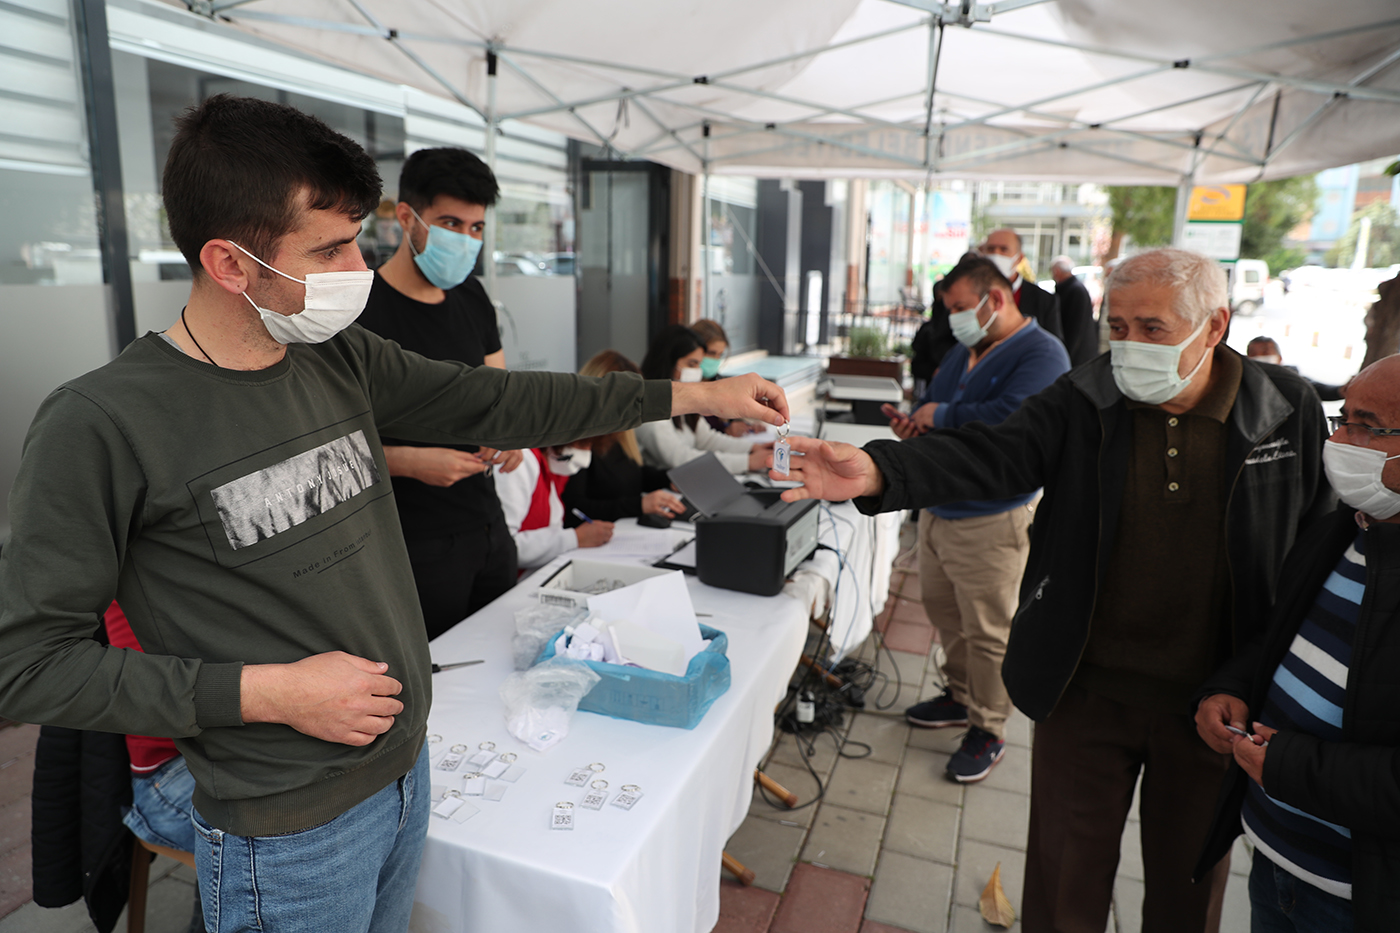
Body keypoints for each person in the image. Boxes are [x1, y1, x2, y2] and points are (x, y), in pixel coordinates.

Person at [0, 94, 788, 933]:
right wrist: (268, 691)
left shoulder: (333, 354)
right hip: (287, 824)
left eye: (357, 241)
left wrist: (689, 391)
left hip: (405, 773)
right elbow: (28, 663)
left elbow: (495, 397)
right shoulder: (103, 422)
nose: (357, 269)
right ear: (229, 263)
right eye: (331, 247)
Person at [773, 247, 1332, 933]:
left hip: (1213, 703)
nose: (1129, 346)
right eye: (1117, 326)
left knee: (1188, 892)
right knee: (1064, 888)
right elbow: (991, 453)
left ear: (1214, 326)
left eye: (1153, 328)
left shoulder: (1285, 409)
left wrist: (1251, 676)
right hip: (1084, 691)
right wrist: (878, 471)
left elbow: (1315, 553)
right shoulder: (1086, 396)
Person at [1193, 354, 1400, 932]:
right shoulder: (1344, 528)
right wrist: (1229, 687)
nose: (1344, 441)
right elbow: (1280, 637)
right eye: (1344, 419)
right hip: (1278, 860)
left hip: (1357, 899)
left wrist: (1289, 765)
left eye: (1370, 426)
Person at [882, 256, 1071, 782]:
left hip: (992, 515)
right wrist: (914, 426)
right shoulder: (964, 351)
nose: (955, 319)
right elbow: (936, 403)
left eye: (962, 308)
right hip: (940, 507)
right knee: (945, 614)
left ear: (998, 299)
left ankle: (989, 727)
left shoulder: (1042, 353)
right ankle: (960, 696)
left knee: (989, 629)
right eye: (949, 310)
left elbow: (1012, 420)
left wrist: (937, 417)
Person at [357, 146, 524, 640]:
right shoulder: (362, 313)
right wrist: (410, 462)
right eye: (451, 223)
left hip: (489, 525)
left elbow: (502, 396)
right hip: (414, 542)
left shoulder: (472, 297)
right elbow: (323, 445)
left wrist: (509, 435)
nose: (466, 240)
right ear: (407, 218)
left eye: (476, 229)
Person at [562, 350, 685, 524]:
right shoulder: (577, 441)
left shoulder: (617, 432)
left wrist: (668, 479)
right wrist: (639, 505)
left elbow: (630, 477)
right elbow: (574, 507)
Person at [635, 324, 773, 474]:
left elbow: (707, 439)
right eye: (691, 364)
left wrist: (752, 448)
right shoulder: (648, 407)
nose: (698, 371)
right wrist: (747, 462)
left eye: (699, 364)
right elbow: (681, 458)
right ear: (668, 362)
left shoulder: (683, 398)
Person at [495, 440, 614, 570]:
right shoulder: (520, 462)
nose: (586, 458)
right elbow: (502, 546)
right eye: (582, 443)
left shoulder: (553, 468)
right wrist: (575, 538)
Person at [980, 228, 1063, 343]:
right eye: (991, 249)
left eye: (1004, 249)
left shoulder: (1044, 300)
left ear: (1019, 258)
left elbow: (1052, 345)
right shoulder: (968, 294)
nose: (996, 254)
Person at [691, 318, 761, 437]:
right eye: (711, 353)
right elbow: (693, 437)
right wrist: (726, 432)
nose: (715, 360)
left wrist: (745, 425)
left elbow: (728, 418)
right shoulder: (684, 385)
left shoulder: (719, 383)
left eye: (720, 355)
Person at [1247, 336, 1347, 402]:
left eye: (1265, 352)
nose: (1260, 356)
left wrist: (1338, 391)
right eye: (1254, 354)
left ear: (1279, 358)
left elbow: (1314, 388)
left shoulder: (1291, 379)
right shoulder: (1245, 380)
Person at [1050, 254, 1099, 366]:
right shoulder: (1071, 288)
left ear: (1057, 271)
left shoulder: (1075, 291)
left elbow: (1075, 327)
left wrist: (1066, 356)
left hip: (1078, 356)